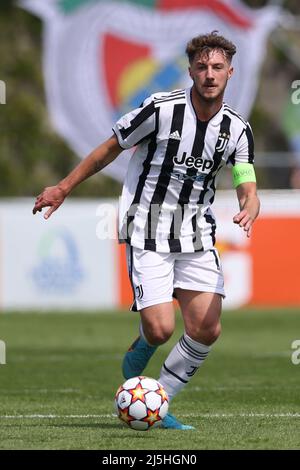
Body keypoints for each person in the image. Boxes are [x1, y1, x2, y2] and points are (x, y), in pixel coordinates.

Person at [33, 31, 260, 430]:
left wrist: (250, 204)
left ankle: (161, 400)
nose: (210, 74)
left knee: (207, 328)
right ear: (190, 71)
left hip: (196, 235)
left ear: (230, 73)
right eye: (202, 67)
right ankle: (144, 343)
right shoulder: (160, 109)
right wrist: (63, 187)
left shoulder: (237, 130)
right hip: (147, 228)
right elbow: (110, 147)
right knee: (160, 329)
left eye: (218, 67)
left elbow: (245, 179)